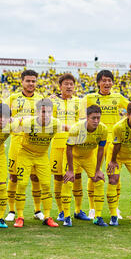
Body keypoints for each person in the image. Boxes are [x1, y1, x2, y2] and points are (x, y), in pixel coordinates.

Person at [79, 70, 129, 219]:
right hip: (95, 140)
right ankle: (92, 208)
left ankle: (116, 208)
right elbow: (82, 116)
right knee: (93, 174)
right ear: (99, 82)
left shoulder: (117, 97)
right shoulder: (89, 98)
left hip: (114, 141)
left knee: (115, 174)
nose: (107, 83)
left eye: (109, 80)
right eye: (104, 80)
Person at [13, 98, 64, 228]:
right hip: (25, 154)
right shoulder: (27, 122)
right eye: (42, 112)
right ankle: (20, 216)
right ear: (36, 112)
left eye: (48, 112)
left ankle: (47, 216)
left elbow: (68, 128)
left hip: (42, 157)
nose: (45, 114)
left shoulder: (55, 123)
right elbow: (11, 122)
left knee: (46, 185)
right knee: (22, 184)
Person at [5, 70, 45, 222]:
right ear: (22, 82)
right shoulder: (13, 98)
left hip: (34, 142)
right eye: (28, 81)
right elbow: (3, 117)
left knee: (35, 177)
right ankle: (11, 211)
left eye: (33, 81)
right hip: (16, 141)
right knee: (14, 176)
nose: (31, 84)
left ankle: (37, 210)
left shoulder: (41, 99)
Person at [48, 73, 89, 222]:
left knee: (77, 177)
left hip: (74, 145)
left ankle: (78, 210)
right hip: (57, 144)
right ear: (60, 86)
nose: (69, 86)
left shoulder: (79, 102)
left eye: (72, 84)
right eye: (66, 84)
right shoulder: (52, 101)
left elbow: (83, 122)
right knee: (59, 178)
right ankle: (61, 211)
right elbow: (49, 121)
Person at [63, 105, 108, 227]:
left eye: (98, 118)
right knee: (67, 182)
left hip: (89, 157)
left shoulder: (103, 129)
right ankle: (67, 216)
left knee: (99, 181)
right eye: (93, 118)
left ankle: (97, 216)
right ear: (87, 117)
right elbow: (68, 149)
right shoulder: (76, 129)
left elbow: (100, 150)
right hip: (74, 156)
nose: (96, 121)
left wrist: (98, 170)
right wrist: (71, 170)